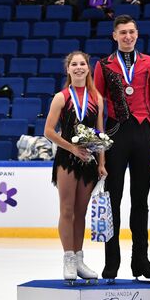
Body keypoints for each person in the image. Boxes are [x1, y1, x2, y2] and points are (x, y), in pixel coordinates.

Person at [93, 15, 150, 282]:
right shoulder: (103, 65)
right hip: (115, 133)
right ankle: (111, 262)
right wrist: (99, 144)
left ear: (137, 34)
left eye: (131, 32)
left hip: (144, 132)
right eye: (122, 32)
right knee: (113, 200)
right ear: (114, 36)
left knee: (140, 202)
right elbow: (97, 107)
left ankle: (141, 260)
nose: (127, 36)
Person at [44, 51, 107, 283]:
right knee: (67, 211)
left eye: (82, 64)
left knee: (81, 213)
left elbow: (99, 133)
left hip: (89, 162)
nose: (79, 67)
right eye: (74, 64)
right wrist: (71, 148)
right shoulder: (61, 97)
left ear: (88, 68)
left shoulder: (96, 98)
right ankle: (68, 258)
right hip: (67, 160)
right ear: (68, 69)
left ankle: (79, 259)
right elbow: (48, 131)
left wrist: (101, 163)